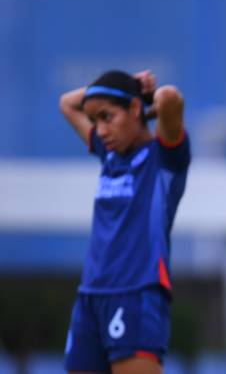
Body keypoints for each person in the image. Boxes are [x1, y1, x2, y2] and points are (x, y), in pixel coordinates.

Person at [59, 69, 191, 374]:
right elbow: (66, 103)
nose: (101, 130)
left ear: (134, 108)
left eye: (107, 117)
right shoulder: (110, 156)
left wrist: (143, 96)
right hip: (91, 295)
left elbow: (170, 98)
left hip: (137, 292)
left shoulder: (164, 159)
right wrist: (121, 86)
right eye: (95, 121)